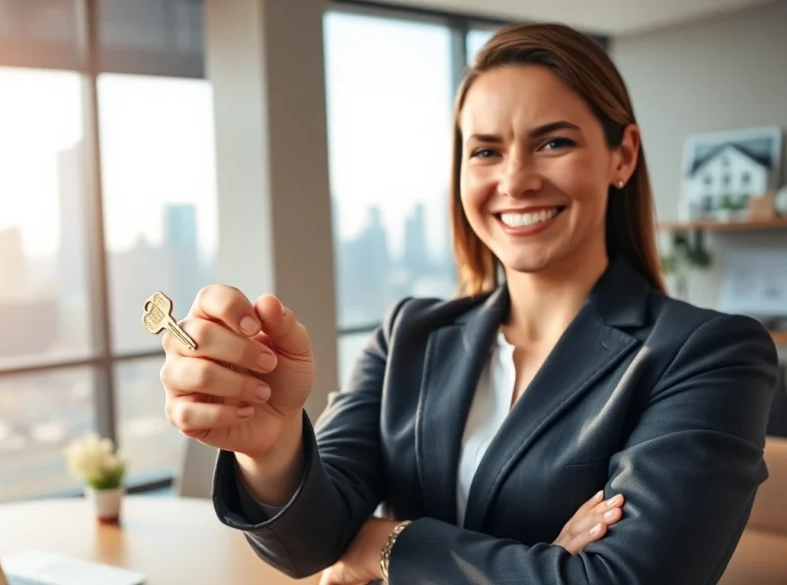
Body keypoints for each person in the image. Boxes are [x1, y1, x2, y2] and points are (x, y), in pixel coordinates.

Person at [157, 22, 780, 585]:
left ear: (623, 156)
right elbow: (312, 543)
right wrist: (270, 445)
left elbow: (621, 582)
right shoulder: (409, 335)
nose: (515, 179)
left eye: (553, 142)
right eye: (485, 150)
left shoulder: (709, 353)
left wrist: (386, 542)